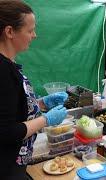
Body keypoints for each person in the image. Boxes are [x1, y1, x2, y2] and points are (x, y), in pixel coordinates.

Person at [0, 1, 68, 178]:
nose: (34, 35)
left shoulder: (9, 64)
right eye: (29, 31)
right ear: (9, 32)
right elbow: (6, 132)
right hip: (7, 165)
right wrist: (45, 120)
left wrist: (41, 104)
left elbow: (11, 109)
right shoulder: (2, 70)